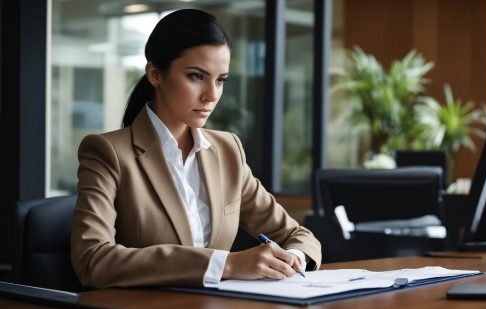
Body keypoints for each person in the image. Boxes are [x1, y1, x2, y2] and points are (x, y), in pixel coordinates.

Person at [70, 9, 321, 289]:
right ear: (155, 74)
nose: (212, 95)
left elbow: (297, 235)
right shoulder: (109, 153)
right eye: (196, 76)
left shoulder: (228, 150)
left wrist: (292, 258)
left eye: (221, 80)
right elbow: (92, 260)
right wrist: (225, 264)